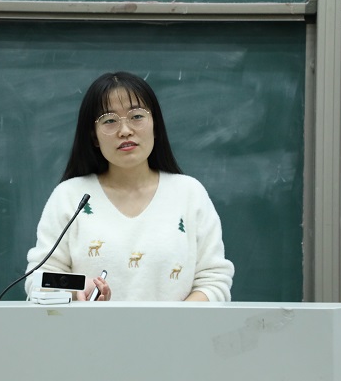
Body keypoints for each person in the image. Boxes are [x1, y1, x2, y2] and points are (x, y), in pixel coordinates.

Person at [25, 71, 234, 301]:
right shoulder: (70, 196)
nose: (125, 130)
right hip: (89, 326)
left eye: (137, 116)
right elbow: (38, 281)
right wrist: (78, 288)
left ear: (155, 125)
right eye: (109, 120)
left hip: (176, 327)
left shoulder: (189, 194)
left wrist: (172, 321)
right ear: (94, 137)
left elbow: (214, 280)